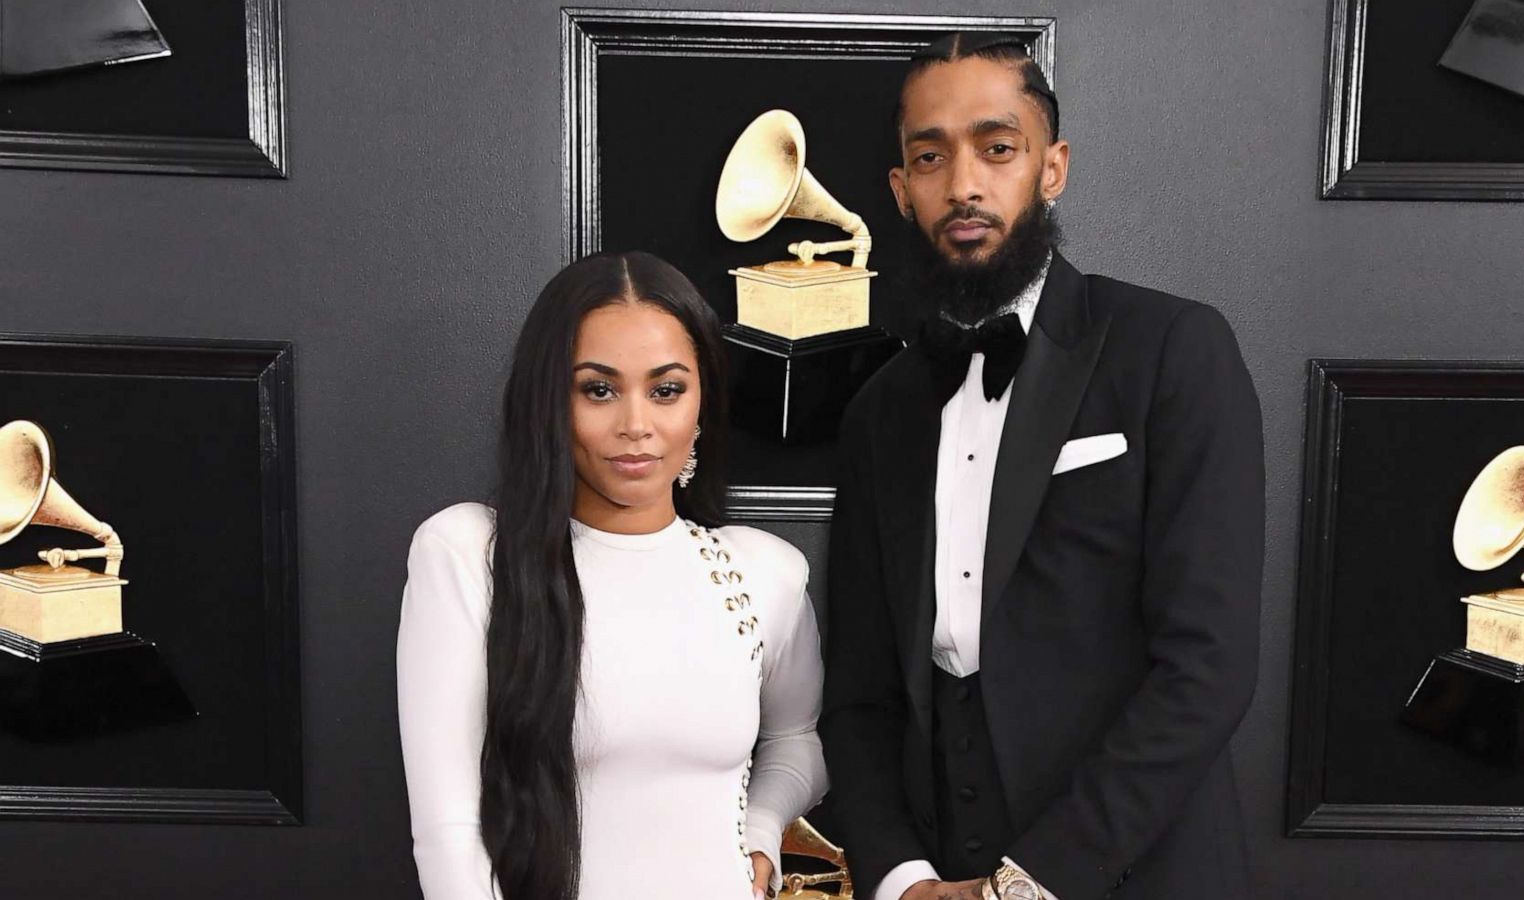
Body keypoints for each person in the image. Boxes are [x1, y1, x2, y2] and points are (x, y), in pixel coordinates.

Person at [819, 33, 1264, 900]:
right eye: (930, 156)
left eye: (998, 147)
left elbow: (1208, 668)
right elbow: (860, 695)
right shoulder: (880, 411)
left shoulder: (1172, 349)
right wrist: (903, 878)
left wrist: (1031, 883)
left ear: (1051, 167)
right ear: (900, 190)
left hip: (1141, 873)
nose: (965, 184)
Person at [397, 250, 827, 900]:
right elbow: (448, 831)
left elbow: (798, 740)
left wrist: (762, 826)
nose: (636, 426)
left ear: (703, 400)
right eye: (599, 389)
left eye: (666, 390)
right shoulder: (468, 553)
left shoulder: (762, 572)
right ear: (550, 401)